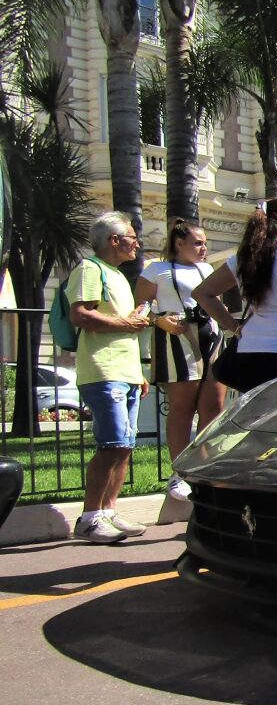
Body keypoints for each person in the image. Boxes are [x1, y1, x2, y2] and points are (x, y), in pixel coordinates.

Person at [67, 213, 152, 543]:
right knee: (112, 444)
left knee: (125, 446)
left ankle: (108, 511)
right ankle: (89, 518)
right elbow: (81, 314)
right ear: (114, 240)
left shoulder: (116, 275)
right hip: (103, 372)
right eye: (132, 236)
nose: (137, 243)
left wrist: (138, 373)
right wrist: (128, 324)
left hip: (125, 372)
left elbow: (122, 326)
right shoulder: (90, 269)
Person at [135, 219, 226, 501]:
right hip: (176, 337)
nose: (204, 248)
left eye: (205, 243)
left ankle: (201, 467)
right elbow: (140, 308)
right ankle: (179, 473)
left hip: (211, 336)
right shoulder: (156, 270)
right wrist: (158, 320)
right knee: (182, 408)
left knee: (213, 405)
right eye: (198, 243)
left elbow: (216, 302)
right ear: (179, 243)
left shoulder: (207, 269)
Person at [193, 197, 277, 391]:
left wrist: (235, 327)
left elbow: (203, 293)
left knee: (258, 417)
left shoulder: (245, 256)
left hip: (250, 349)